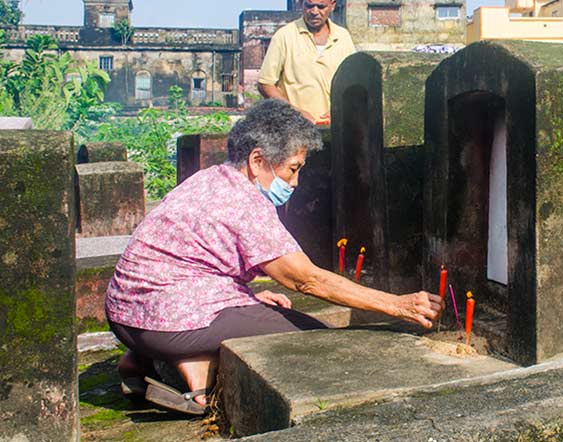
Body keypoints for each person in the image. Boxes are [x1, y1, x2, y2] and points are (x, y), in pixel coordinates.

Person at [105, 100, 441, 415]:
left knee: (268, 312)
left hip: (127, 314)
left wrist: (242, 299)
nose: (295, 183)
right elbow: (305, 279)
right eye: (292, 169)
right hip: (166, 322)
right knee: (316, 340)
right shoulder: (244, 202)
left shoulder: (209, 180)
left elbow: (195, 263)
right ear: (257, 161)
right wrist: (398, 305)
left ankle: (146, 360)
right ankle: (191, 375)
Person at [257, 0, 355, 125]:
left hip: (336, 128)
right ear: (301, 2)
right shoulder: (285, 36)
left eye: (321, 6)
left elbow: (353, 84)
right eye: (309, 5)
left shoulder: (343, 37)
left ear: (332, 5)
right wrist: (295, 112)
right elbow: (265, 84)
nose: (314, 11)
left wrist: (341, 109)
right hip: (295, 130)